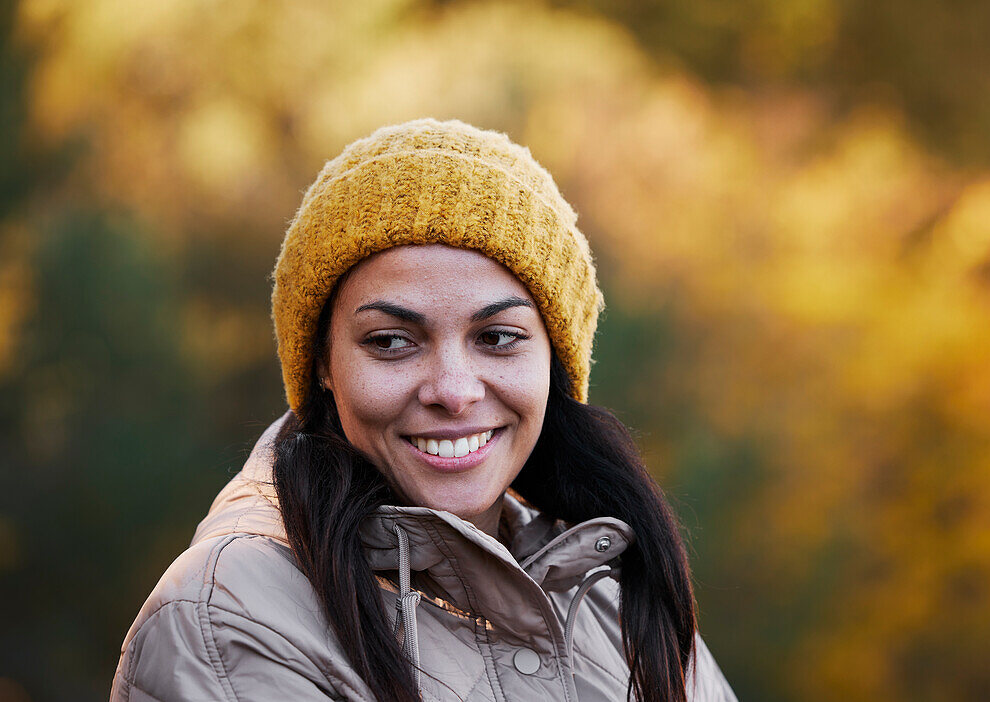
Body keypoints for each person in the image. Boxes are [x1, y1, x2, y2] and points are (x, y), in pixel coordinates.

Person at [110, 119, 737, 701]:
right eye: (390, 342)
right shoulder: (232, 613)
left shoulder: (612, 589)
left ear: (555, 360)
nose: (454, 390)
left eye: (497, 337)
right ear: (322, 364)